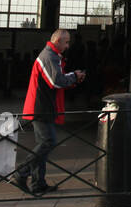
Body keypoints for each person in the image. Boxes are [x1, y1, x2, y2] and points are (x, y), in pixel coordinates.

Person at [14, 29, 85, 195]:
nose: (68, 46)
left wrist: (73, 77)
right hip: (41, 107)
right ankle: (21, 172)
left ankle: (39, 183)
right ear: (58, 40)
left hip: (44, 106)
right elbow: (56, 80)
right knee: (48, 141)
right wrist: (74, 76)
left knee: (43, 144)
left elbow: (55, 79)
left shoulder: (51, 56)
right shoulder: (49, 56)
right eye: (66, 42)